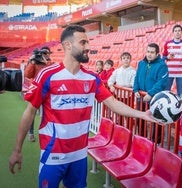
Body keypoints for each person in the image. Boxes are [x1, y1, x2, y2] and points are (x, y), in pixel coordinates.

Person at [9, 25, 156, 188]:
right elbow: (29, 112)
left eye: (88, 42)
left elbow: (113, 103)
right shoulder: (48, 75)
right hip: (52, 155)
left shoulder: (92, 78)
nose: (88, 47)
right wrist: (17, 150)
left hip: (79, 156)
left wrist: (143, 115)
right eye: (83, 42)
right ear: (68, 45)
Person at [133, 43, 168, 143]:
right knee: (141, 118)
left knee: (156, 121)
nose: (149, 54)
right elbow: (136, 77)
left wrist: (150, 93)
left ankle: (156, 142)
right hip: (141, 97)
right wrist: (135, 89)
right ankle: (141, 139)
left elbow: (161, 82)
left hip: (155, 98)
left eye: (152, 52)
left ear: (157, 54)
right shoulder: (141, 63)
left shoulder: (162, 65)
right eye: (148, 51)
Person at [24, 46, 53, 142]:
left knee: (46, 114)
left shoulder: (51, 63)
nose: (46, 55)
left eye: (47, 53)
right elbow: (28, 75)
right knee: (31, 112)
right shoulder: (35, 62)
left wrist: (46, 61)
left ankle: (45, 133)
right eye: (44, 53)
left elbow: (51, 74)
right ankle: (31, 133)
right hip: (36, 90)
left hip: (48, 91)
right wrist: (32, 62)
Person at [162, 24, 182, 95]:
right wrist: (167, 57)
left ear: (181, 32)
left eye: (179, 31)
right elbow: (163, 57)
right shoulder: (167, 44)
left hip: (180, 71)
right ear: (173, 32)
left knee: (180, 91)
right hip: (169, 70)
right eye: (175, 31)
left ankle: (180, 105)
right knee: (166, 90)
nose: (177, 32)